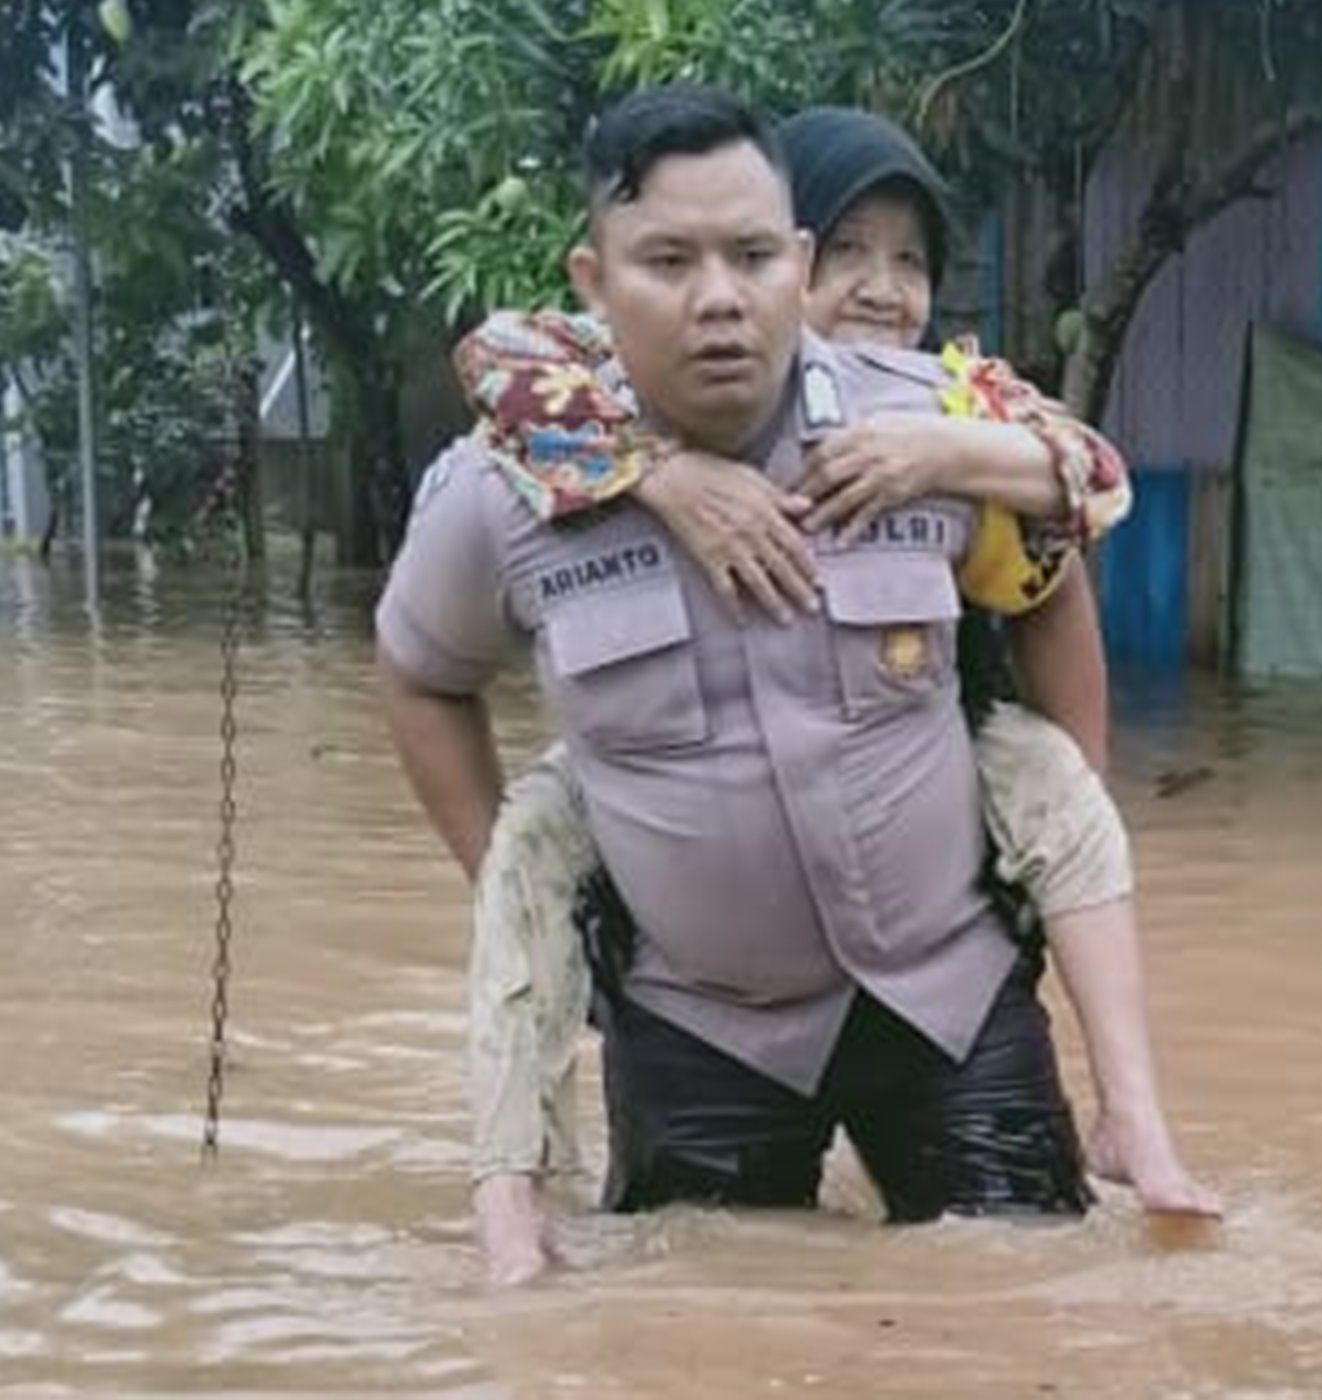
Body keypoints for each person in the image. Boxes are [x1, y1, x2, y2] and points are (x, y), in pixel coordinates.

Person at [381, 84, 1141, 1291]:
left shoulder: (924, 426)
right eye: (667, 260)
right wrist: (525, 892)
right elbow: (422, 676)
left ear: (792, 262)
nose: (718, 298)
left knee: (1032, 1305)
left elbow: (1073, 527)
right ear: (593, 277)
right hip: (696, 1021)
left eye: (749, 255)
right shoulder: (512, 484)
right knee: (702, 1324)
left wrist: (1066, 829)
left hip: (946, 991)